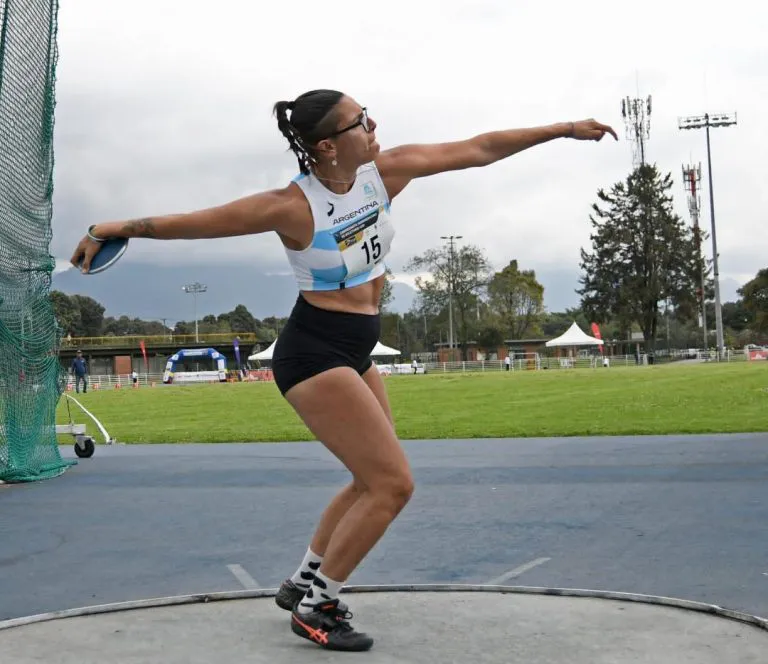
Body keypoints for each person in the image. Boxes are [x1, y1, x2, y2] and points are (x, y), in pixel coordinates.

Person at [70, 90, 617, 651]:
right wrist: (112, 227)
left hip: (357, 348)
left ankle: (303, 580)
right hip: (313, 354)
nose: (374, 125)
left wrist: (563, 128)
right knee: (392, 485)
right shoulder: (293, 206)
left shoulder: (383, 176)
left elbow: (478, 149)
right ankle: (318, 606)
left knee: (368, 479)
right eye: (361, 121)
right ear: (328, 146)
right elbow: (196, 224)